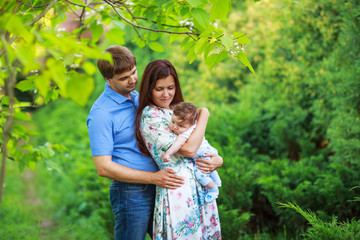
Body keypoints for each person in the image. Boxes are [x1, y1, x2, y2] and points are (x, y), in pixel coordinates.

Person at [87, 46, 184, 240]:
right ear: (108, 79)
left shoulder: (139, 98)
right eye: (124, 78)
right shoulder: (101, 114)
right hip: (130, 193)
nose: (132, 80)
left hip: (162, 186)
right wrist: (153, 178)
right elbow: (103, 168)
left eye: (133, 72)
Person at [135, 59, 223, 239]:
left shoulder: (176, 111)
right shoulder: (151, 115)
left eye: (171, 87)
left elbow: (200, 145)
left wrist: (218, 159)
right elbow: (190, 150)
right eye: (159, 89)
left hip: (199, 187)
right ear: (148, 88)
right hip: (178, 190)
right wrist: (204, 114)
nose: (166, 94)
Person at [163, 101, 222, 203]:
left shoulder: (186, 133)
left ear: (191, 124)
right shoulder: (191, 124)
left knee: (200, 174)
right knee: (208, 168)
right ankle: (217, 181)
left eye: (180, 126)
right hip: (208, 151)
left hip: (204, 155)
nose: (175, 127)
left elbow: (178, 144)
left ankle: (213, 189)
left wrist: (168, 154)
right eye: (173, 122)